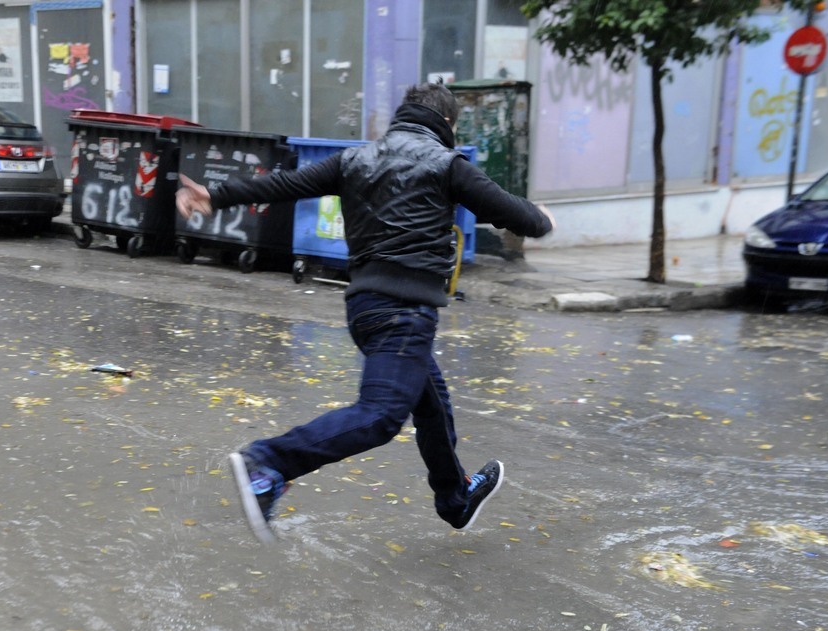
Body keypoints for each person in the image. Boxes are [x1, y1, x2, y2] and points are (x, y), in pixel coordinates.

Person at [176, 83, 554, 543]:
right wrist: (542, 217)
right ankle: (269, 463)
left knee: (431, 404)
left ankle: (455, 498)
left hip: (366, 308)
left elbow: (284, 184)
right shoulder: (448, 165)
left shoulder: (355, 159)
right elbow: (519, 217)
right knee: (380, 416)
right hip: (406, 312)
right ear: (447, 124)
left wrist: (216, 196)